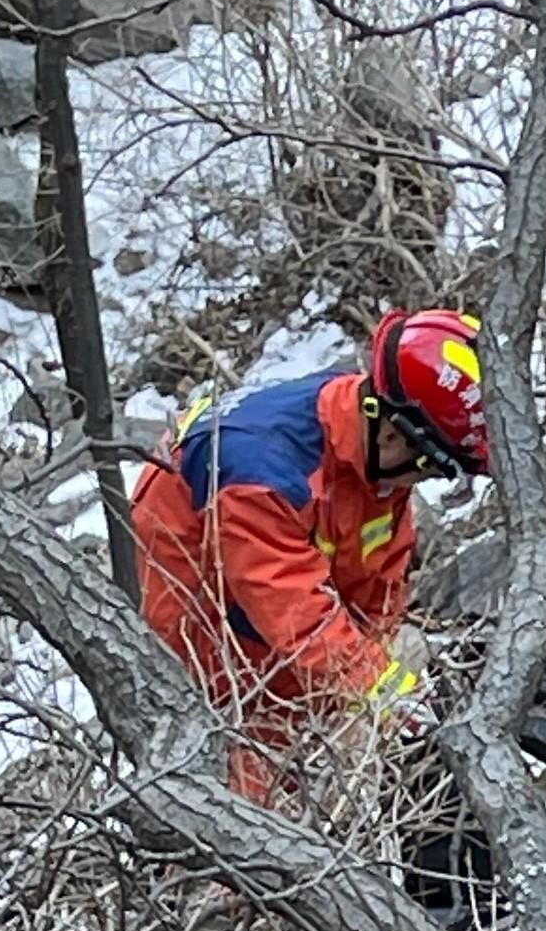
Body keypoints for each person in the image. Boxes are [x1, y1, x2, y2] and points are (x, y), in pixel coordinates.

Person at [129, 307, 489, 791]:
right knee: (239, 812)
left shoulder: (367, 449)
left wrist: (380, 672)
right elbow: (293, 614)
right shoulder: (260, 471)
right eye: (433, 469)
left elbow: (376, 578)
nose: (424, 483)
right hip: (205, 647)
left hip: (272, 643)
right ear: (393, 435)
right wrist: (377, 688)